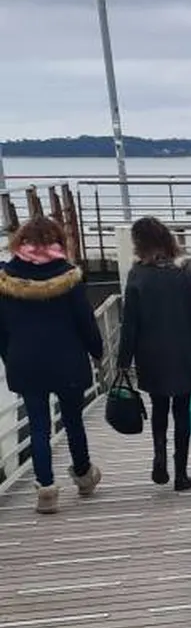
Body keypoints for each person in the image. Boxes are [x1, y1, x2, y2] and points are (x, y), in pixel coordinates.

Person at [0, 215, 104, 514]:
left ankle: (46, 490)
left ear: (21, 243)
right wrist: (97, 351)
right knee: (72, 421)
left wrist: (10, 357)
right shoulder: (69, 278)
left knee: (39, 427)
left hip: (26, 362)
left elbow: (1, 329)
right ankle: (84, 477)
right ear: (57, 241)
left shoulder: (6, 280)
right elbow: (85, 322)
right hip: (67, 361)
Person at [118, 217, 191, 493]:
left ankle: (159, 458)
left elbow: (130, 323)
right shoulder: (182, 272)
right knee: (181, 411)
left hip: (151, 355)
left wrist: (124, 360)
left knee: (159, 408)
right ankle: (181, 474)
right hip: (183, 351)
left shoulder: (138, 275)